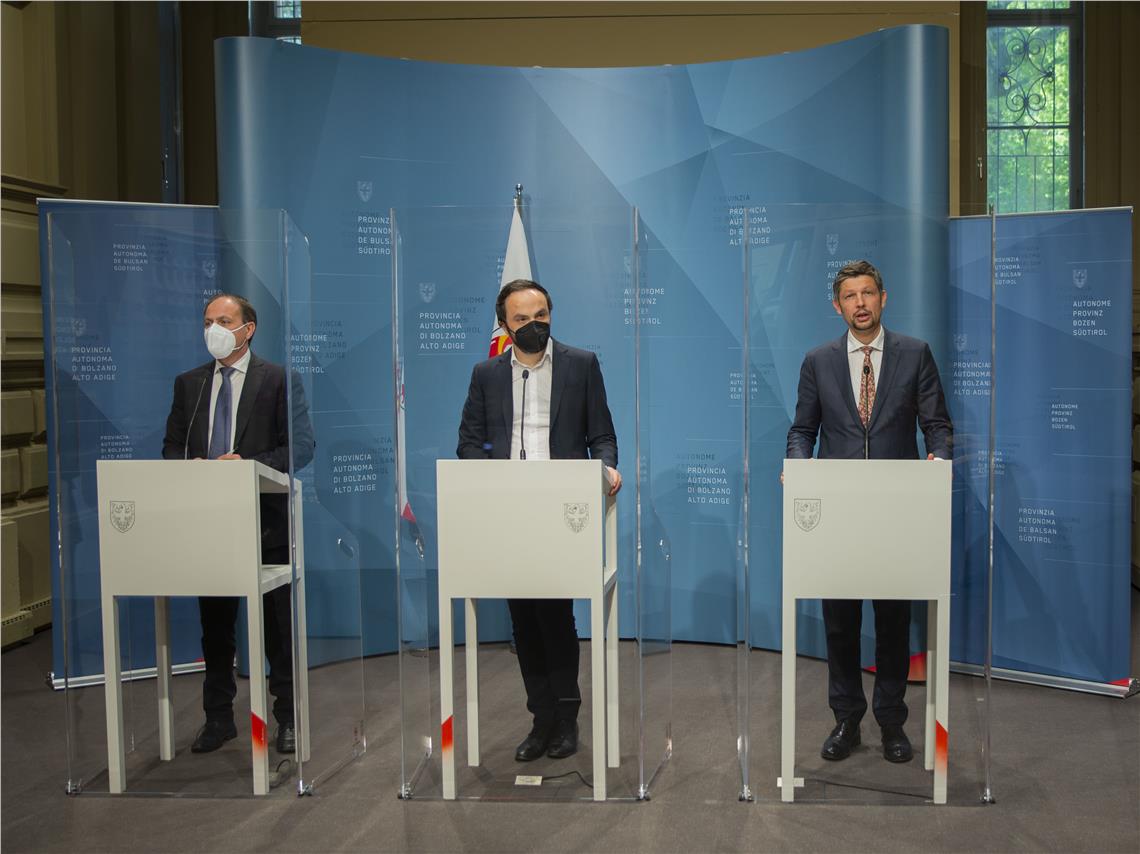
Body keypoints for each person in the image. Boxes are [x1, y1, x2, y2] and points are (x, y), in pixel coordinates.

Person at [785, 259, 952, 765]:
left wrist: (939, 460)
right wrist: (798, 467)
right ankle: (847, 719)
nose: (860, 303)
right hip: (837, 514)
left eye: (867, 293)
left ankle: (892, 721)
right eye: (850, 296)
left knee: (893, 620)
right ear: (837, 306)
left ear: (883, 298)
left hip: (896, 511)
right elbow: (802, 431)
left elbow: (937, 425)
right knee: (840, 622)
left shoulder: (915, 354)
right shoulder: (818, 361)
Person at [457, 279, 621, 762]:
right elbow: (469, 442)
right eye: (522, 319)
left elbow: (601, 435)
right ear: (504, 325)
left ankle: (566, 719)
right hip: (508, 513)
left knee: (555, 616)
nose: (534, 325)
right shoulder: (486, 374)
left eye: (541, 316)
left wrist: (607, 467)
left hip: (562, 510)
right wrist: (492, 481)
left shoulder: (581, 365)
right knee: (524, 621)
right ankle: (540, 719)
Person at [162, 293, 315, 755]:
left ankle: (287, 718)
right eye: (208, 321)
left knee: (277, 631)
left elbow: (300, 448)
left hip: (265, 521)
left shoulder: (279, 380)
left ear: (248, 329)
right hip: (209, 524)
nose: (214, 329)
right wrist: (190, 467)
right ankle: (218, 718)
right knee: (216, 628)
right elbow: (171, 448)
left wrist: (246, 464)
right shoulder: (189, 384)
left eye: (224, 321)